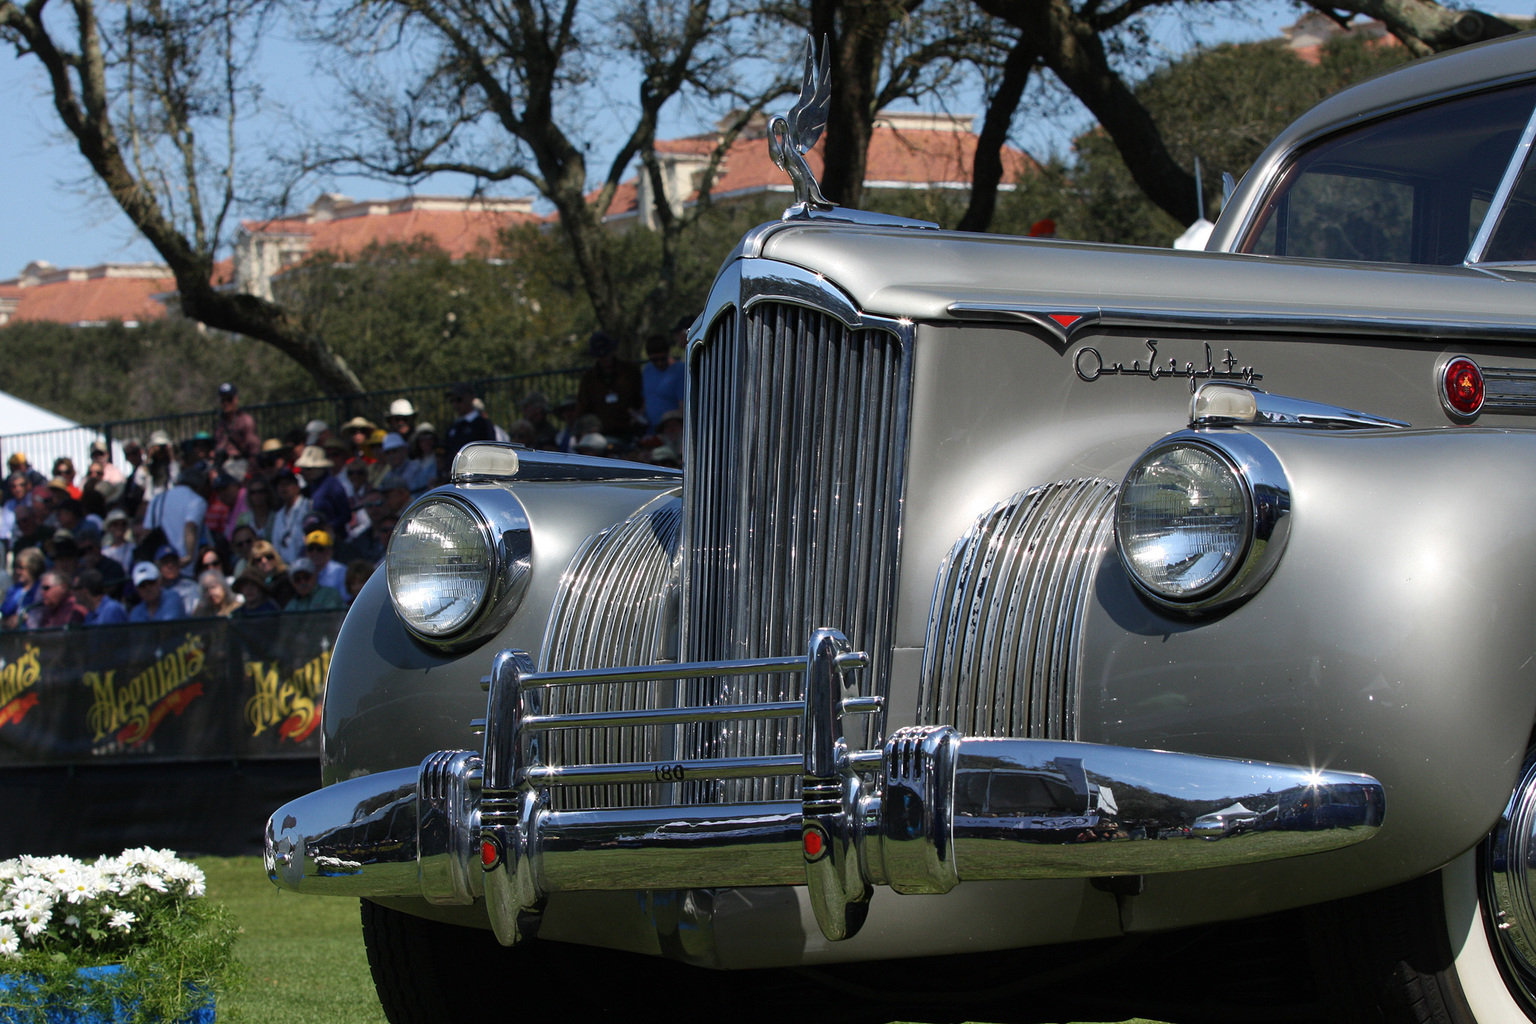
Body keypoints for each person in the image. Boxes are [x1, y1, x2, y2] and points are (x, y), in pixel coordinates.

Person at [574, 331, 644, 440]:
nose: (605, 358)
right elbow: (582, 407)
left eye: (606, 353)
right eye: (600, 355)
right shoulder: (589, 379)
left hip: (630, 429)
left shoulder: (630, 372)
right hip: (601, 433)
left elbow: (641, 398)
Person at [145, 463, 210, 573]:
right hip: (183, 565)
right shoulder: (197, 501)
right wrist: (189, 556)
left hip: (160, 565)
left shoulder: (157, 499)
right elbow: (190, 526)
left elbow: (147, 531)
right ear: (199, 487)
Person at [295, 446, 351, 540]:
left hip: (334, 539)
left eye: (309, 469)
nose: (305, 472)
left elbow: (346, 514)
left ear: (321, 468)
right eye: (303, 469)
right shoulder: (313, 486)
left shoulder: (333, 485)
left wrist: (330, 526)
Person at [641, 333, 685, 434]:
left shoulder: (680, 370)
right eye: (654, 360)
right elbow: (647, 399)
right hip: (651, 431)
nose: (659, 363)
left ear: (667, 353)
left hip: (673, 432)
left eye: (662, 359)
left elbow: (683, 406)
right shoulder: (647, 369)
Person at [443, 383, 496, 467]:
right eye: (452, 401)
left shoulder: (482, 424)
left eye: (459, 400)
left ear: (470, 398)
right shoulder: (454, 427)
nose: (455, 405)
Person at [213, 382, 260, 475]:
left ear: (236, 399)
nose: (225, 403)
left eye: (229, 399)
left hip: (240, 464)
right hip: (222, 464)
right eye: (222, 400)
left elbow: (253, 449)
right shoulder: (221, 423)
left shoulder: (246, 420)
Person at [270, 471, 312, 567]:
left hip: (305, 564)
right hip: (284, 568)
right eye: (280, 485)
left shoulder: (308, 506)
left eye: (288, 483)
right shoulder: (278, 515)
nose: (284, 488)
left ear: (297, 486)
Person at [1, 547, 45, 629]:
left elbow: (40, 613)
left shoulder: (42, 589)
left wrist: (22, 618)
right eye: (16, 567)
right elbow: (4, 610)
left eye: (21, 568)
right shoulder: (14, 589)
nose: (17, 571)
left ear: (33, 568)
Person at [304, 529, 348, 593]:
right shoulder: (303, 574)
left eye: (320, 549)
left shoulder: (340, 571)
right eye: (311, 549)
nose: (315, 553)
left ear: (330, 551)